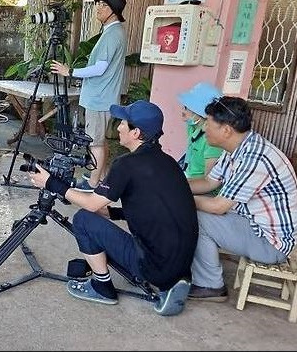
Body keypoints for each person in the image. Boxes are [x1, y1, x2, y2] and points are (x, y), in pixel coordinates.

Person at [29, 100, 198, 316]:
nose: (118, 127)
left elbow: (91, 204)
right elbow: (151, 207)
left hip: (154, 268)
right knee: (94, 214)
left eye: (123, 123)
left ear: (135, 132)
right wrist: (105, 210)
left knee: (82, 219)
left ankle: (102, 287)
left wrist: (50, 183)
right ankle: (172, 280)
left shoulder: (126, 164)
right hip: (181, 265)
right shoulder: (168, 162)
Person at [187, 96, 297, 301]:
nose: (204, 129)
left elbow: (218, 206)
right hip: (252, 223)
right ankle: (199, 271)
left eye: (208, 123)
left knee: (197, 219)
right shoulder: (237, 148)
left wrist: (180, 197)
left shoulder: (254, 157)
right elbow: (210, 182)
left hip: (270, 242)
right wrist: (174, 185)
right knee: (194, 209)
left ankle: (210, 285)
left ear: (226, 130)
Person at [50, 0, 127, 193]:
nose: (98, 9)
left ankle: (93, 185)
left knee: (95, 143)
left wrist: (70, 71)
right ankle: (100, 176)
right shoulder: (111, 32)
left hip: (100, 98)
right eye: (98, 4)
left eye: (103, 5)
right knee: (99, 140)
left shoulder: (112, 35)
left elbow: (100, 68)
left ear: (114, 11)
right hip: (101, 96)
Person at [177, 82, 223, 181]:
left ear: (199, 112)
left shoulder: (213, 141)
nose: (182, 111)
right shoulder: (192, 125)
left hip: (199, 184)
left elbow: (208, 179)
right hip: (187, 174)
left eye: (186, 107)